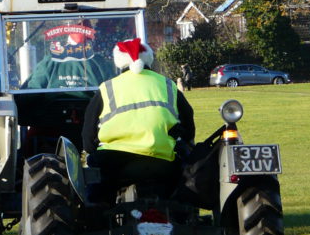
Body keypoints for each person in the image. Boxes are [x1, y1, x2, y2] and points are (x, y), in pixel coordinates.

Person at [82, 38, 195, 201]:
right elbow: (188, 120)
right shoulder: (168, 85)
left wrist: (91, 148)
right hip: (162, 160)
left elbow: (88, 134)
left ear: (118, 61)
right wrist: (185, 139)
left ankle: (97, 217)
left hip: (114, 161)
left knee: (96, 194)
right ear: (149, 58)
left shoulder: (107, 87)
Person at [22, 22, 115, 89]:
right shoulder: (100, 63)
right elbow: (113, 89)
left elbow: (31, 91)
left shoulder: (50, 61)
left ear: (68, 41)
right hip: (92, 113)